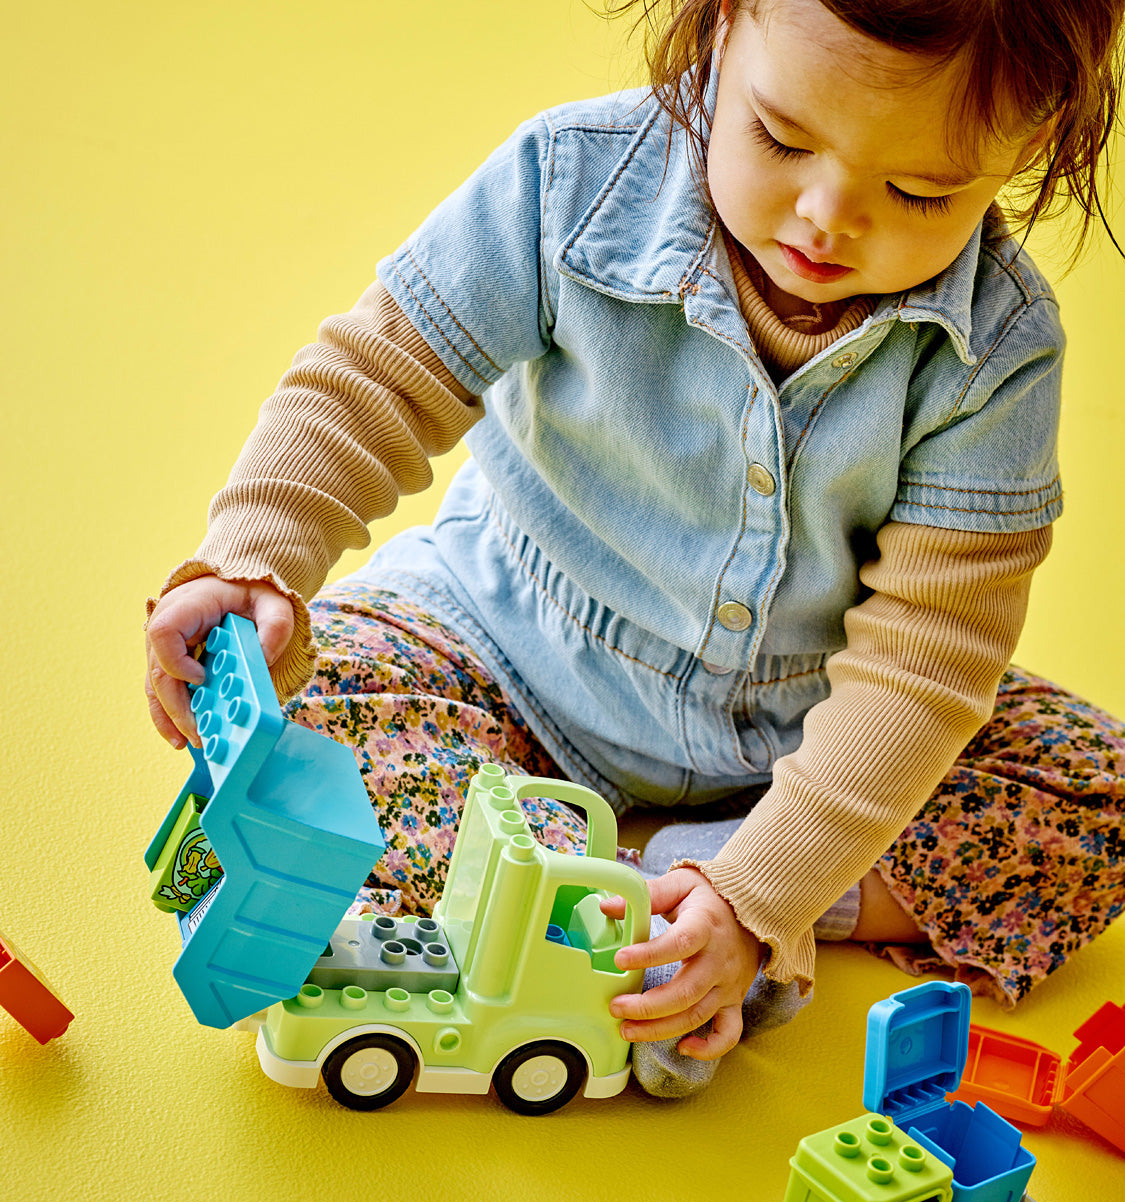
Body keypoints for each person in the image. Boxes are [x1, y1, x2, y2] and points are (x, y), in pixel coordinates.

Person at [145, 0, 1125, 1097]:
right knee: (319, 732)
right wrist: (254, 559)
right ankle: (640, 903)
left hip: (802, 728)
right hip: (508, 649)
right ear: (718, 27)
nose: (823, 219)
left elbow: (924, 663)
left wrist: (763, 894)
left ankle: (677, 886)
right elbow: (375, 380)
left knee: (1098, 795)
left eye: (920, 192)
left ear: (1031, 141)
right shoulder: (570, 183)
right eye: (781, 138)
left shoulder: (999, 354)